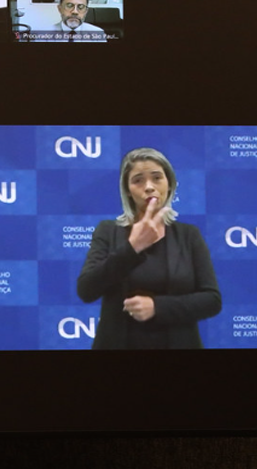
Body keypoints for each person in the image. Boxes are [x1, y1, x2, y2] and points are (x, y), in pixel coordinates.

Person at [77, 148, 221, 349]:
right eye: (138, 180)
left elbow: (212, 300)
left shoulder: (189, 235)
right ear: (127, 190)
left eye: (157, 178)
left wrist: (157, 307)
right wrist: (133, 247)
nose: (149, 187)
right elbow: (86, 290)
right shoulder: (108, 231)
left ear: (169, 184)